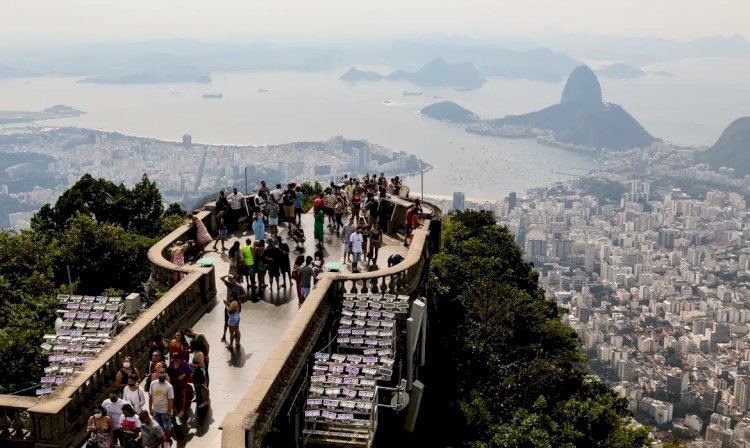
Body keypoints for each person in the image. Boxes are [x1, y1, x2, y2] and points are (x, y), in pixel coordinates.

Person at [148, 370, 174, 444]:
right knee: (157, 428)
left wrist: (169, 413)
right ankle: (160, 442)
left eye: (163, 374)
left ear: (166, 375)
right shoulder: (153, 384)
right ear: (157, 374)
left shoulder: (169, 387)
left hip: (165, 412)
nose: (161, 376)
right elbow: (150, 397)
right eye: (160, 374)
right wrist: (150, 409)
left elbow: (170, 400)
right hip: (155, 411)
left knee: (167, 427)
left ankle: (167, 442)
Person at [220, 274, 247, 343]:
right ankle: (224, 335)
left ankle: (236, 339)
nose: (230, 280)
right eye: (230, 279)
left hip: (236, 306)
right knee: (226, 322)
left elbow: (245, 294)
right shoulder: (228, 284)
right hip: (228, 305)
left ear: (235, 279)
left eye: (232, 279)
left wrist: (238, 296)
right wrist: (227, 275)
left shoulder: (239, 286)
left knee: (236, 324)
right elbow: (221, 278)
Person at [167, 351, 193, 418]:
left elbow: (189, 371)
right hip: (173, 381)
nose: (175, 361)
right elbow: (169, 370)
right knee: (173, 395)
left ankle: (182, 409)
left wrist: (183, 375)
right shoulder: (171, 362)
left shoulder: (184, 363)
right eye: (174, 359)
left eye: (177, 359)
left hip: (181, 382)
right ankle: (174, 408)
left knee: (183, 395)